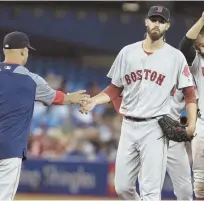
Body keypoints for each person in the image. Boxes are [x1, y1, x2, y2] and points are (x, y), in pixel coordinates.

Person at [0, 31, 90, 201]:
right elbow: (56, 98)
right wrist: (71, 98)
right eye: (27, 50)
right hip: (8, 150)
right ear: (23, 51)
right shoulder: (31, 79)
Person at [80, 5, 197, 201]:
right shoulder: (127, 52)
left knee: (150, 192)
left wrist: (192, 123)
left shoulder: (175, 57)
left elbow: (190, 93)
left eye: (161, 21)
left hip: (156, 127)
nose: (156, 24)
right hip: (129, 126)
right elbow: (114, 88)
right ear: (146, 21)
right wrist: (94, 102)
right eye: (154, 19)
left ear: (167, 26)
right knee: (123, 188)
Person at [179, 11, 204, 200]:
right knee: (201, 180)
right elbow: (184, 45)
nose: (200, 46)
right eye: (199, 45)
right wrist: (202, 20)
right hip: (202, 122)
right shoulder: (196, 61)